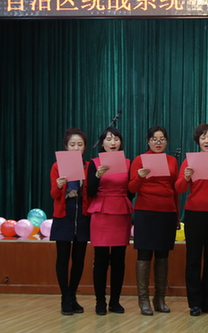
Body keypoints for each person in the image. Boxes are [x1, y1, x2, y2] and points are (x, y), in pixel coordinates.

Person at [176, 124, 208, 317]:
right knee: (193, 259)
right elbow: (179, 188)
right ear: (198, 141)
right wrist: (186, 177)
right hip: (194, 214)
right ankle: (195, 303)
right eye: (203, 137)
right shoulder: (190, 161)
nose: (207, 141)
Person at [128, 126, 180, 316]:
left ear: (166, 142)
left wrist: (177, 215)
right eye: (154, 139)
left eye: (162, 139)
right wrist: (140, 177)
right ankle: (143, 300)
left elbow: (175, 190)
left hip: (167, 212)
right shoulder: (139, 160)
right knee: (144, 255)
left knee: (162, 256)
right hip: (145, 212)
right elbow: (131, 188)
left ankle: (160, 298)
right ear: (148, 141)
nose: (158, 142)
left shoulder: (172, 161)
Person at [87, 127, 133, 315]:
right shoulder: (94, 163)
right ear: (102, 143)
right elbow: (90, 192)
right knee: (100, 259)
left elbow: (131, 192)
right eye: (108, 139)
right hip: (101, 212)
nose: (113, 142)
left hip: (120, 211)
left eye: (116, 139)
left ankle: (115, 301)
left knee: (119, 260)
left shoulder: (128, 163)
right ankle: (100, 302)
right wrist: (97, 176)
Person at [49, 128, 91, 316]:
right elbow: (54, 194)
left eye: (80, 144)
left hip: (82, 216)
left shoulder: (89, 166)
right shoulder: (57, 166)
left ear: (84, 147)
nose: (76, 148)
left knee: (79, 259)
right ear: (66, 147)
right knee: (63, 258)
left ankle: (73, 295)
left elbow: (92, 192)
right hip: (64, 216)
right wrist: (59, 186)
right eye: (72, 144)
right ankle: (64, 297)